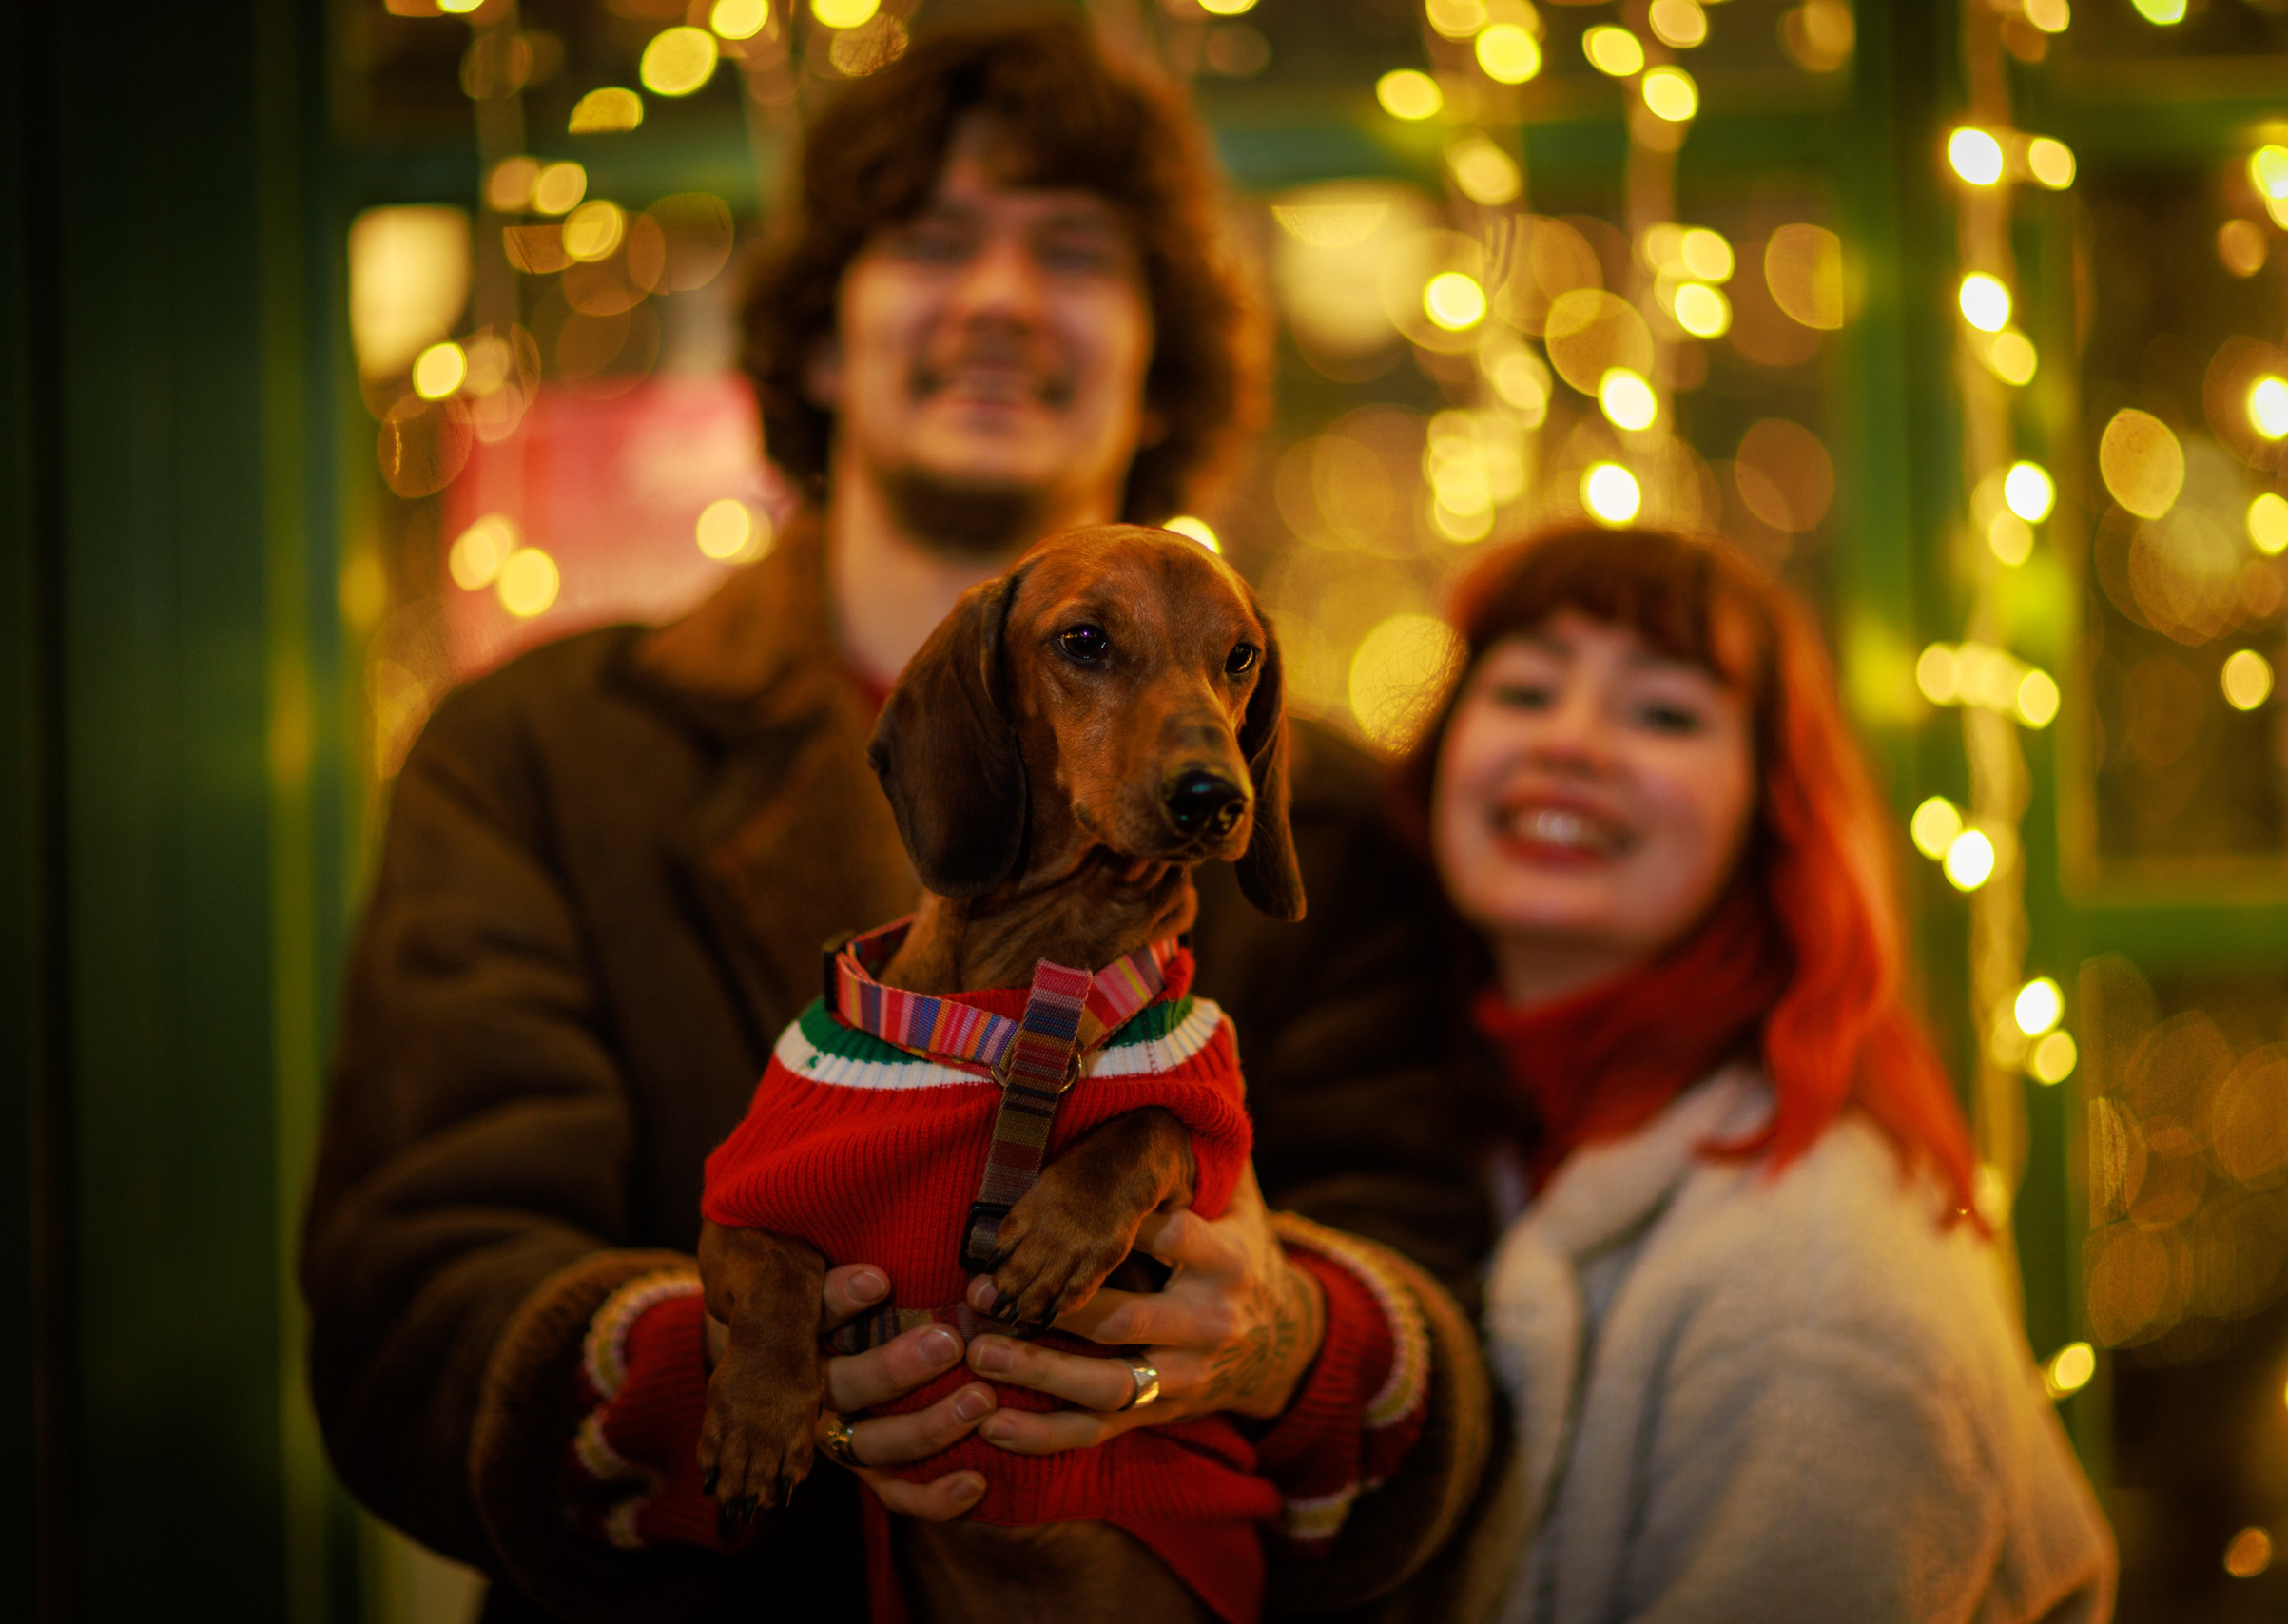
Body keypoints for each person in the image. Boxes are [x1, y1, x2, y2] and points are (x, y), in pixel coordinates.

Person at [304, 19, 1493, 1622]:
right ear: (814, 335)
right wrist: (739, 1367)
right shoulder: (533, 756)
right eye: (931, 240)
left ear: (1157, 357)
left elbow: (1440, 1295)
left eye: (1075, 253)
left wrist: (1282, 1337)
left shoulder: (1320, 813)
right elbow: (408, 1289)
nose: (1001, 296)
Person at [1394, 525, 2115, 1623]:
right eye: (1527, 690)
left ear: (1768, 812)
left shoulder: (1821, 1283)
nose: (1572, 743)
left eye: (1665, 713)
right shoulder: (1450, 1132)